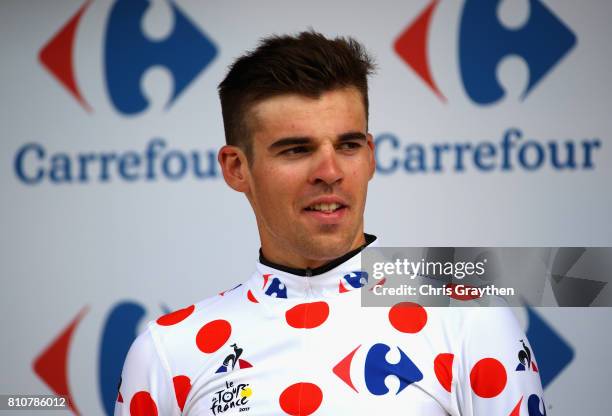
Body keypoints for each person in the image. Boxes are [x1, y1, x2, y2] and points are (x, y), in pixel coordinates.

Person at [115, 31, 544, 415]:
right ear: (236, 168)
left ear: (371, 155)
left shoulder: (469, 318)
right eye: (296, 150)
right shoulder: (166, 352)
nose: (330, 171)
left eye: (348, 145)